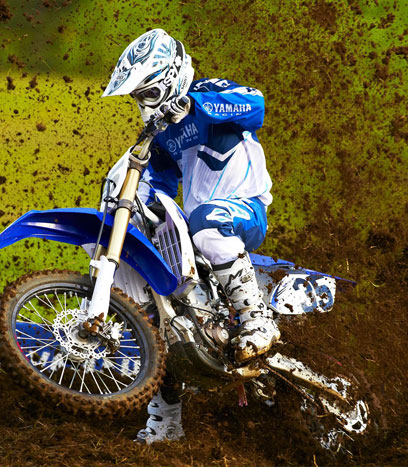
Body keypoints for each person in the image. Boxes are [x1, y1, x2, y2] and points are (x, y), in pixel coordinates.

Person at [102, 28, 279, 443]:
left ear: (170, 79)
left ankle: (258, 320)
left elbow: (255, 106)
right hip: (200, 224)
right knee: (156, 310)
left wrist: (194, 105)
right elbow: (159, 184)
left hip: (243, 209)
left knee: (205, 221)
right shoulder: (162, 134)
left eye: (148, 93)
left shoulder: (209, 93)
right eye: (138, 97)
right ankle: (166, 422)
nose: (144, 105)